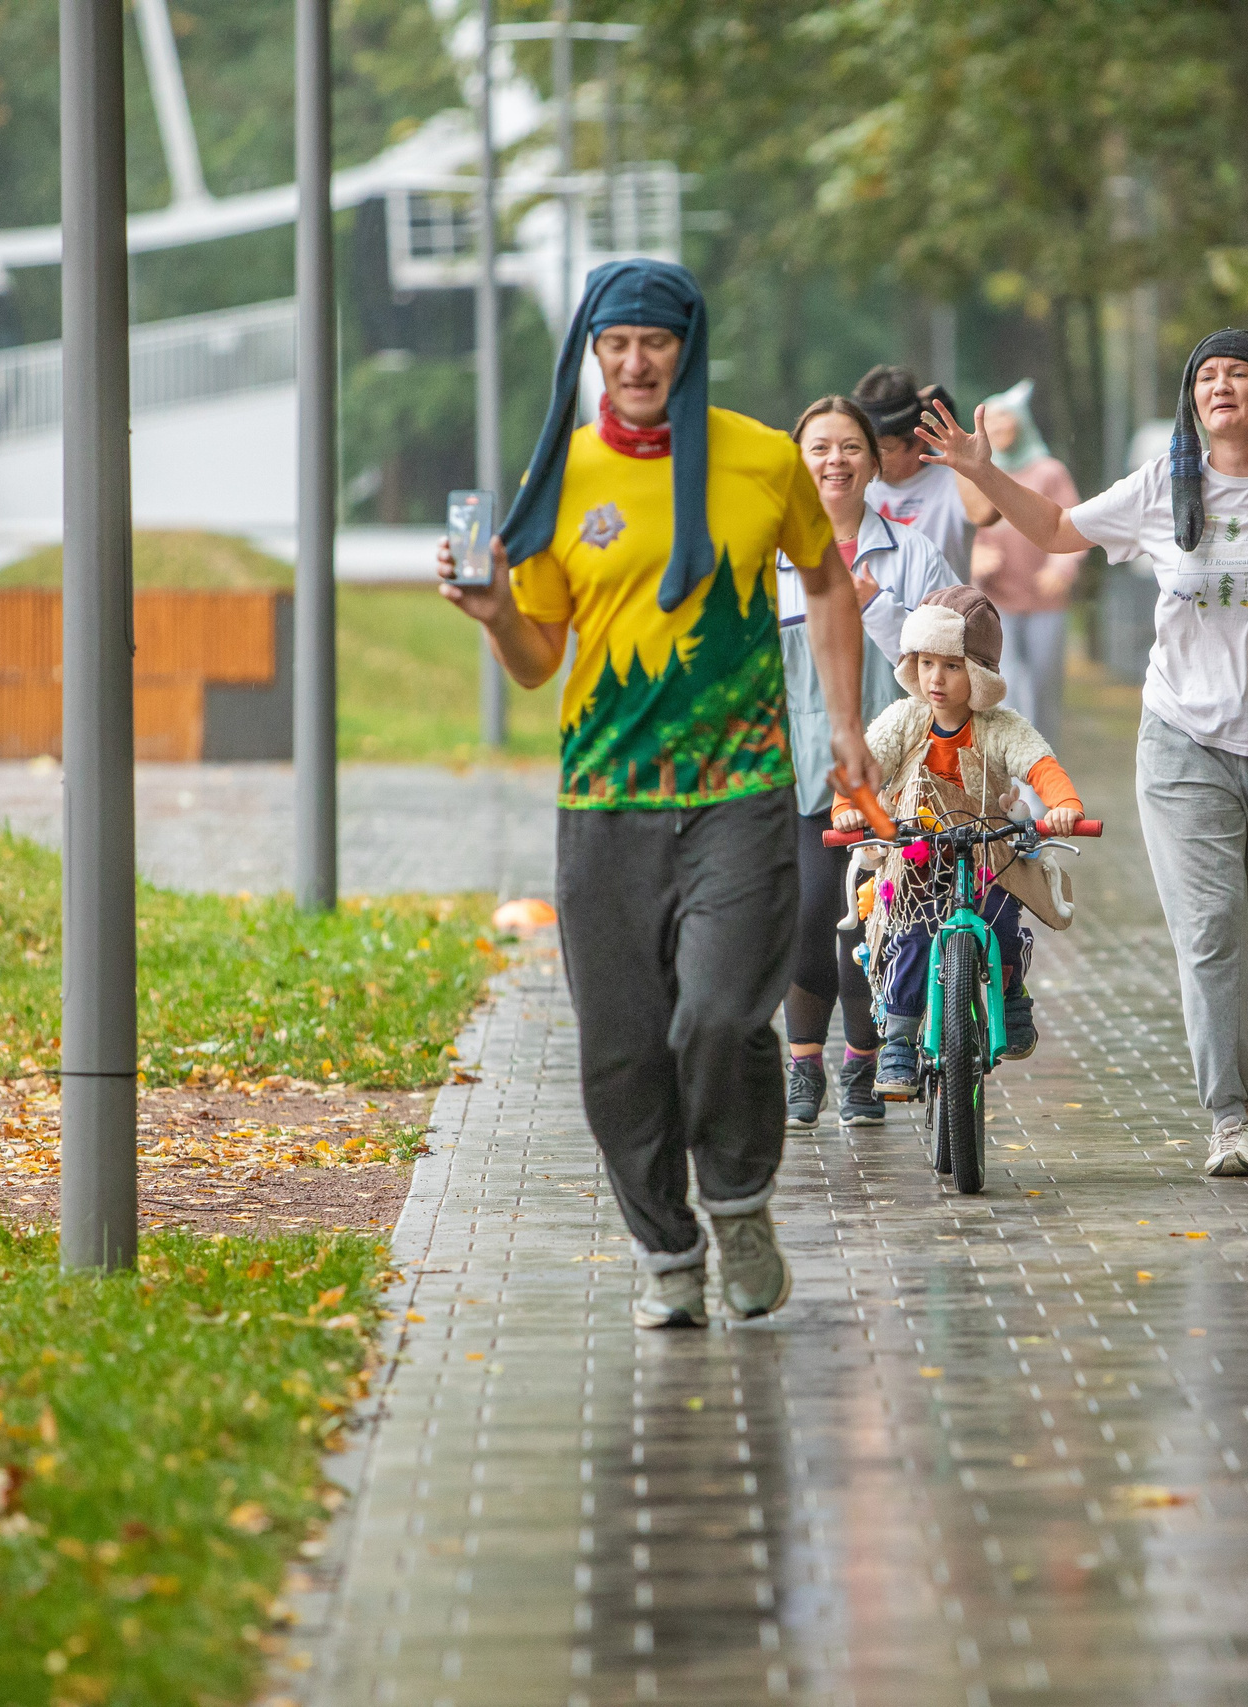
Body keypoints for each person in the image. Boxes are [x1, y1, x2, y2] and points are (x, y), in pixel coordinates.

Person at [437, 259, 880, 1329]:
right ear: (592, 355)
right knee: (622, 1047)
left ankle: (736, 1201)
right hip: (606, 804)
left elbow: (823, 578)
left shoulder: (759, 458)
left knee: (722, 1018)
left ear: (687, 348)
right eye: (614, 344)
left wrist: (849, 722)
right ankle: (666, 1248)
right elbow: (541, 657)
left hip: (741, 790)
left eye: (655, 342)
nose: (634, 363)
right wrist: (494, 612)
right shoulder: (562, 476)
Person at [919, 328, 1248, 1180]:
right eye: (1206, 375)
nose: (1220, 385)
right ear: (1191, 398)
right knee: (1210, 931)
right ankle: (1227, 1115)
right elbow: (1060, 528)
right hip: (1181, 742)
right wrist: (982, 472)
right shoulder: (1167, 486)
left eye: (1238, 372)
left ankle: (1247, 1048)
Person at [779, 396, 959, 1131]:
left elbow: (948, 666)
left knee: (868, 922)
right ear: (798, 461)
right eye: (819, 447)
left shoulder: (913, 555)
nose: (835, 461)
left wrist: (877, 605)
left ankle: (860, 1064)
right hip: (794, 772)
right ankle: (801, 1065)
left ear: (875, 459)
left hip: (890, 772)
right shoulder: (768, 557)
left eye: (850, 446)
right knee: (803, 916)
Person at [832, 585, 1084, 1099]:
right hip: (917, 859)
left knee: (1004, 920)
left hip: (987, 850)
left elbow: (1040, 765)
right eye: (926, 663)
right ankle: (900, 1041)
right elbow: (864, 766)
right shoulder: (906, 720)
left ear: (980, 674)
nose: (936, 679)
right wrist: (850, 806)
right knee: (912, 938)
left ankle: (1012, 994)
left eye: (951, 666)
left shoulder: (999, 727)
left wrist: (1063, 807)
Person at [968, 380, 1083, 744]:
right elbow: (966, 527)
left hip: (1043, 600)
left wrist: (1061, 567)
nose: (1001, 429)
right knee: (1007, 685)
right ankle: (1013, 766)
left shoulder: (1048, 472)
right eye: (993, 424)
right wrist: (976, 555)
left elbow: (1075, 521)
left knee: (1043, 685)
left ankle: (1045, 765)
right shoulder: (979, 473)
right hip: (996, 600)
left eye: (1007, 420)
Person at [853, 365, 992, 582]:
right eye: (863, 446)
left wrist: (956, 444)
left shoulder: (950, 477)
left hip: (943, 613)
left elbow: (985, 513)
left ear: (919, 439)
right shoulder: (857, 482)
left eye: (884, 449)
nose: (870, 459)